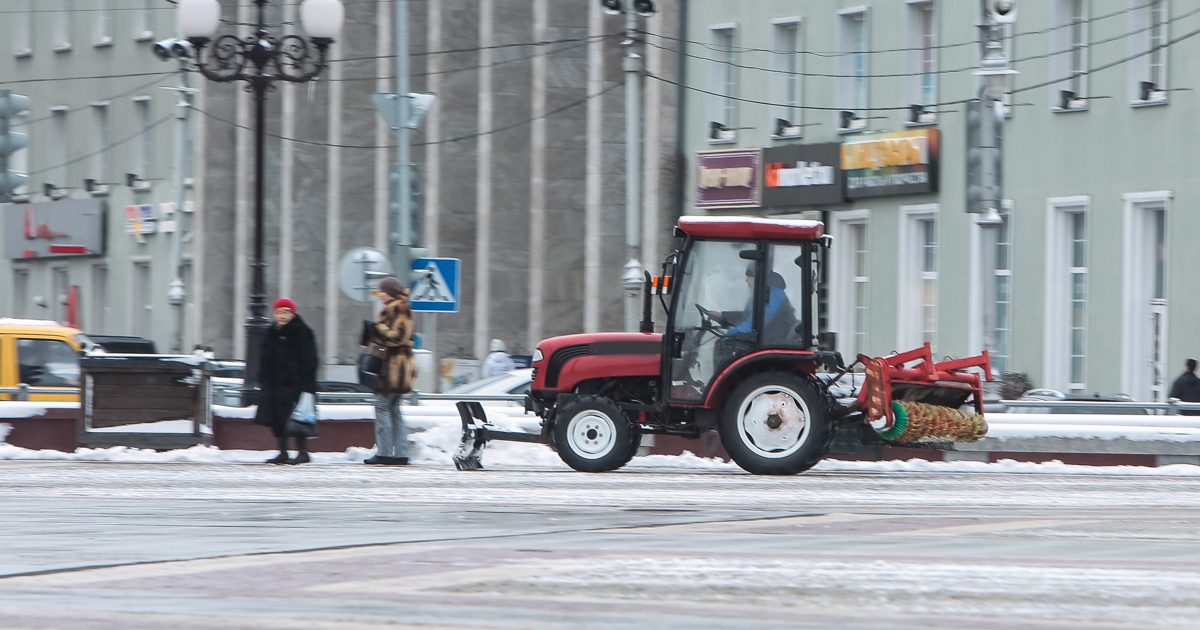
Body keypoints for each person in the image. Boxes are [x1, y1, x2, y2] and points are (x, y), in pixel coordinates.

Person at [253, 298, 319, 464]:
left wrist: (306, 384)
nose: (282, 315)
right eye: (279, 312)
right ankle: (283, 451)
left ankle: (303, 452)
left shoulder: (302, 331)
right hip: (274, 384)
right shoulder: (271, 333)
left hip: (295, 384)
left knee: (297, 419)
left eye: (286, 312)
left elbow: (310, 360)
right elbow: (263, 358)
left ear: (293, 313)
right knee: (277, 419)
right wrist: (263, 378)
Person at [365, 277, 417, 465]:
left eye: (382, 291)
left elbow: (399, 337)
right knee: (394, 409)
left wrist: (377, 328)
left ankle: (385, 452)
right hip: (399, 367)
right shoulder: (401, 306)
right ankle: (401, 453)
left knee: (382, 407)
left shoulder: (398, 307)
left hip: (394, 367)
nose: (379, 294)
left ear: (390, 293)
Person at [707, 266, 796, 339]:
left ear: (758, 277)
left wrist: (729, 334)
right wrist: (722, 316)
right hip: (768, 339)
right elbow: (748, 316)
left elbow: (756, 324)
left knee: (725, 346)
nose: (746, 280)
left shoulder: (772, 294)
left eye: (749, 276)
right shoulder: (764, 294)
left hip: (773, 342)